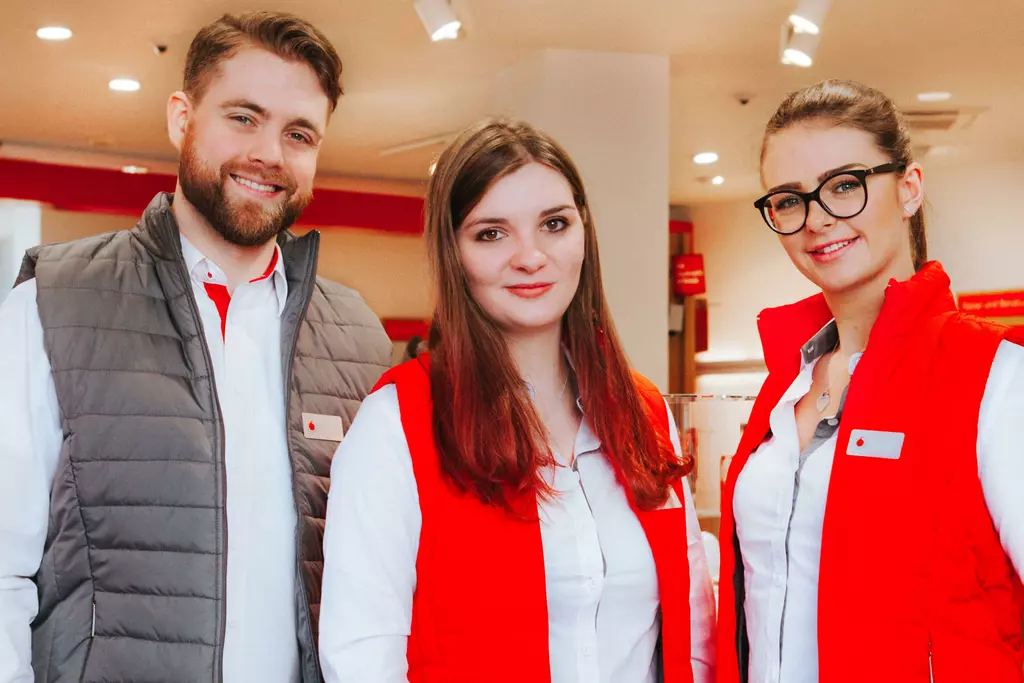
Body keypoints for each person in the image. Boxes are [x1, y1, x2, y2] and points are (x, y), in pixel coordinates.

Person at [0, 12, 392, 683]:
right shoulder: (52, 302)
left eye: (299, 134)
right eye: (244, 117)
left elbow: (381, 578)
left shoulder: (358, 336)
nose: (269, 152)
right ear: (181, 118)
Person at [318, 119, 716, 683]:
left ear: (583, 233)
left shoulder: (643, 412)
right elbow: (362, 659)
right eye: (491, 233)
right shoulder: (397, 422)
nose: (531, 257)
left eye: (554, 224)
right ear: (453, 253)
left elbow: (693, 631)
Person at [716, 80, 1024, 683]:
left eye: (844, 185)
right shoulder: (785, 387)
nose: (817, 219)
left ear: (909, 189)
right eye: (789, 199)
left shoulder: (995, 376)